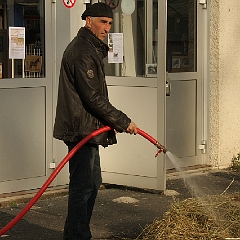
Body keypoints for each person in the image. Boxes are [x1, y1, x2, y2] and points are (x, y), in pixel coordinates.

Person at [53, 2, 137, 240]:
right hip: (80, 130)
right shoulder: (82, 51)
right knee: (83, 186)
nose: (106, 28)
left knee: (92, 181)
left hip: (86, 128)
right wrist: (122, 121)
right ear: (88, 20)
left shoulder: (90, 48)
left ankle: (74, 233)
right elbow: (92, 97)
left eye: (109, 23)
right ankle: (79, 235)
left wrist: (113, 122)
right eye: (102, 22)